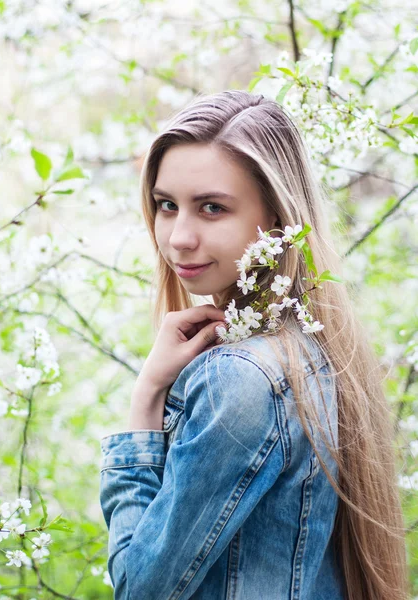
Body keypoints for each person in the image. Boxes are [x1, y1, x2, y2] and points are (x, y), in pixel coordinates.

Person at [99, 90, 409, 599]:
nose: (178, 236)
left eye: (212, 208)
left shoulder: (240, 377)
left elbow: (140, 589)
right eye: (167, 205)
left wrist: (147, 396)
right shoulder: (309, 346)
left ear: (278, 219)